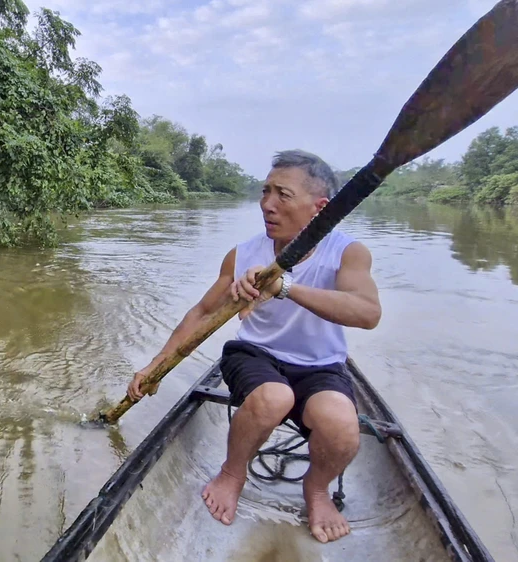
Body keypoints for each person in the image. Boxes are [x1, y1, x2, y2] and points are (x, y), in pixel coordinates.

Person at [127, 149, 382, 544]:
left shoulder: (347, 252)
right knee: (273, 397)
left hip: (320, 365)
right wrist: (155, 366)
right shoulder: (244, 253)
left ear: (320, 208)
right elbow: (202, 312)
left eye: (283, 194)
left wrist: (285, 287)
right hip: (255, 355)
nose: (267, 204)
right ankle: (232, 472)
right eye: (265, 191)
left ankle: (316, 490)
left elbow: (367, 313)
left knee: (343, 425)